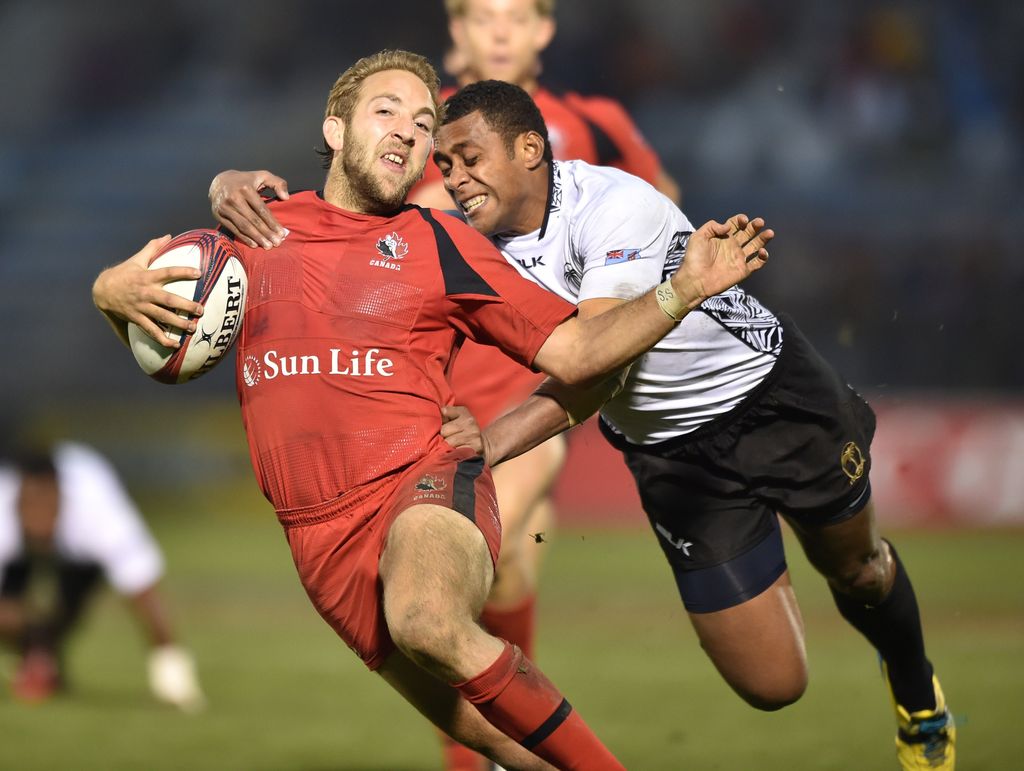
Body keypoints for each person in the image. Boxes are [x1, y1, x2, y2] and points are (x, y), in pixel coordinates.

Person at [214, 79, 954, 771]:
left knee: (857, 568)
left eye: (468, 159)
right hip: (673, 456)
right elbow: (354, 238)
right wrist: (230, 186)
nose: (454, 176)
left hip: (771, 400)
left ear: (530, 151)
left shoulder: (610, 207)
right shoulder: (464, 240)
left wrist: (494, 440)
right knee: (774, 683)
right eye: (444, 162)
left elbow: (593, 364)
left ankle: (915, 684)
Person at [92, 50, 771, 769]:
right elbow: (159, 330)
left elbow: (576, 353)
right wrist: (111, 291)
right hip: (318, 541)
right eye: (387, 111)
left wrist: (682, 289)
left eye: (422, 123)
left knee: (427, 619)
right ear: (334, 129)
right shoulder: (258, 235)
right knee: (487, 735)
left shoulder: (441, 242)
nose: (409, 132)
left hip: (423, 485)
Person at [0, 439, 205, 712]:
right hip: (18, 556)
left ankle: (42, 658)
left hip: (80, 559)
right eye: (29, 507)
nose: (37, 519)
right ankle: (39, 656)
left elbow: (143, 589)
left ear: (62, 497)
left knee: (67, 608)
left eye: (46, 507)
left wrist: (170, 664)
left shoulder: (98, 510)